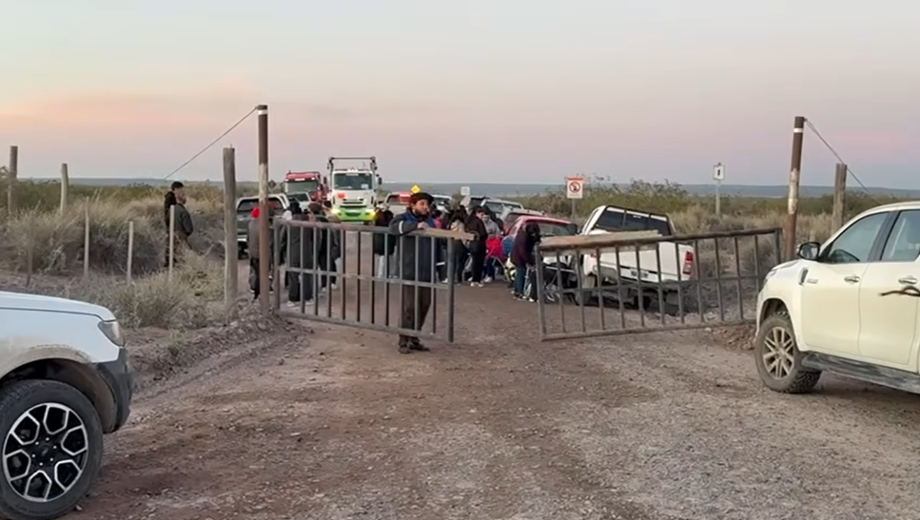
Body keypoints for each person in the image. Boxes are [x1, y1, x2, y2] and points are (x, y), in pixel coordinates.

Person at [389, 192, 437, 354]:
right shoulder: (403, 219)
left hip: (427, 270)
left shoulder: (430, 221)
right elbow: (393, 229)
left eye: (427, 205)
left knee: (424, 305)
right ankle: (403, 340)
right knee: (409, 307)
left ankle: (414, 337)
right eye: (422, 204)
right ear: (413, 205)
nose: (425, 207)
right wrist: (414, 227)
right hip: (409, 270)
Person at [282, 203, 318, 307]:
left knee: (293, 277)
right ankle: (308, 298)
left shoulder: (289, 224)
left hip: (293, 253)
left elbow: (282, 239)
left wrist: (281, 252)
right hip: (307, 253)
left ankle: (293, 299)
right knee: (307, 275)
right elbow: (315, 238)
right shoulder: (308, 224)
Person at [247, 206, 274, 300]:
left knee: (256, 272)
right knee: (265, 272)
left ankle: (255, 288)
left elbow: (248, 239)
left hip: (253, 252)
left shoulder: (251, 224)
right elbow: (269, 242)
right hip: (263, 253)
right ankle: (261, 291)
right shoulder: (265, 224)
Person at [511, 222, 541, 300]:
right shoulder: (523, 238)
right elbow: (523, 252)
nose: (533, 235)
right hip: (519, 258)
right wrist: (529, 262)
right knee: (521, 273)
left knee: (519, 274)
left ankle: (516, 291)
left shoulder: (524, 234)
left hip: (518, 256)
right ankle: (519, 292)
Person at [465, 206, 488, 287]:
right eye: (481, 214)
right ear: (477, 213)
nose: (482, 216)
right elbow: (483, 234)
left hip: (471, 244)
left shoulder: (469, 221)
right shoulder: (479, 222)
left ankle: (473, 279)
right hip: (480, 244)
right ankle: (477, 279)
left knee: (474, 262)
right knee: (479, 263)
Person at [163, 181, 184, 267]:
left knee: (174, 242)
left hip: (173, 222)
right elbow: (169, 210)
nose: (181, 191)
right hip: (171, 222)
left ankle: (173, 259)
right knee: (171, 241)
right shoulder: (170, 197)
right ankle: (169, 261)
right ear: (175, 189)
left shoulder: (173, 197)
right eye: (180, 189)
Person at [373, 209, 396, 278]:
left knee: (383, 259)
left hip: (380, 245)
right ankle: (387, 274)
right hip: (386, 244)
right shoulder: (388, 226)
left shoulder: (378, 224)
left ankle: (382, 274)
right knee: (387, 259)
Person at [448, 207, 468, 283]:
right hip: (459, 242)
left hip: (452, 242)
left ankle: (451, 278)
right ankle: (458, 278)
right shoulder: (461, 224)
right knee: (460, 262)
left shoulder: (451, 224)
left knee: (452, 261)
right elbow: (462, 235)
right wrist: (466, 244)